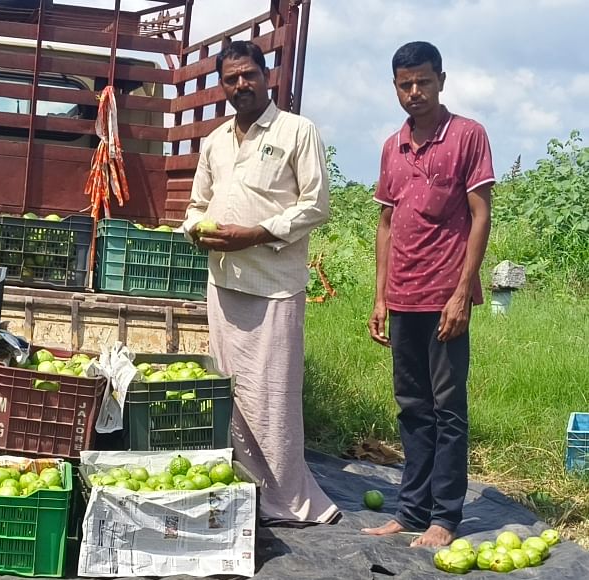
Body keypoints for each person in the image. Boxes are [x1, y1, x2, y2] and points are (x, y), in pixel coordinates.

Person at [184, 40, 338, 525]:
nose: (240, 85)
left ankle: (288, 500)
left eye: (248, 74)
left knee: (273, 393)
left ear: (266, 75)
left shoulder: (296, 131)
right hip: (224, 285)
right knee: (234, 391)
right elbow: (195, 206)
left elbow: (316, 205)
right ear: (221, 86)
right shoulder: (214, 141)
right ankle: (248, 490)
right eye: (230, 79)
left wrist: (255, 234)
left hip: (274, 285)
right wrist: (197, 232)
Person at [362, 42, 494, 548]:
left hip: (444, 297)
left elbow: (480, 216)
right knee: (411, 406)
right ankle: (411, 510)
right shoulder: (392, 147)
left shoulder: (466, 136)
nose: (414, 93)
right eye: (404, 85)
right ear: (395, 87)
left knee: (447, 407)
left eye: (423, 82)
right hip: (403, 296)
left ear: (442, 79)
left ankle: (445, 516)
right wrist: (380, 297)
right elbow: (387, 223)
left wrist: (463, 293)